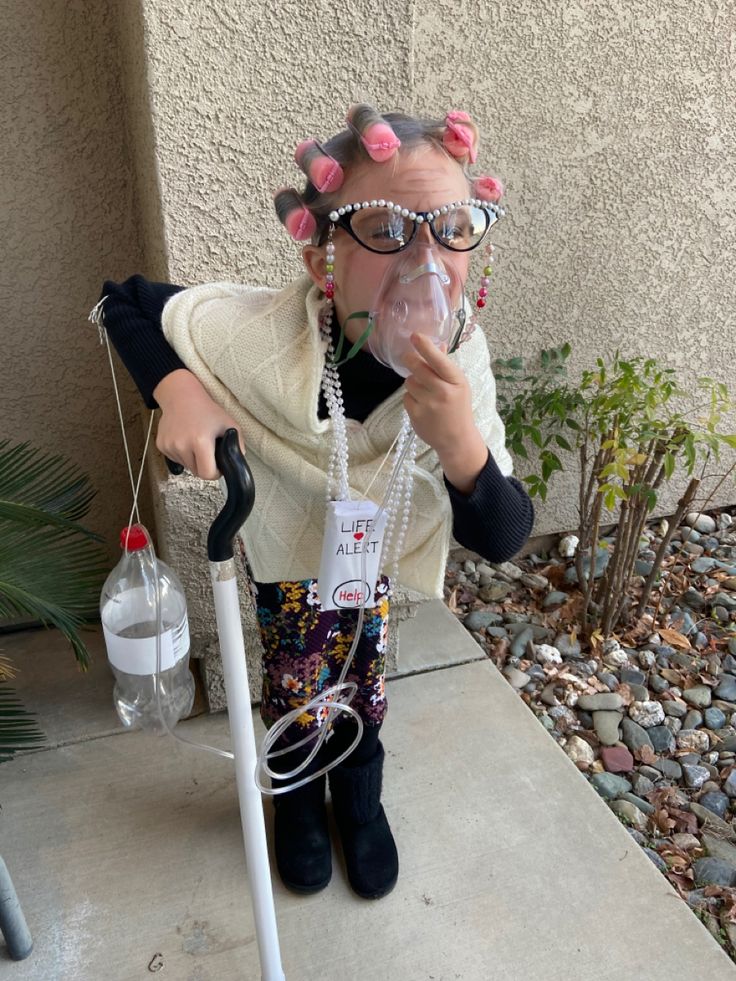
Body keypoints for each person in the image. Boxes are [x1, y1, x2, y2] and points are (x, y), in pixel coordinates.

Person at [96, 105, 535, 901]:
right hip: (284, 552)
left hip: (371, 557)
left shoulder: (462, 358)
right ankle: (297, 804)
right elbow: (125, 300)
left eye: (451, 227)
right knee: (297, 678)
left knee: (365, 673)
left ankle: (360, 804)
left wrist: (464, 448)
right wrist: (181, 391)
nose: (425, 261)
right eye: (389, 229)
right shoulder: (265, 338)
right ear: (322, 253)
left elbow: (504, 533)